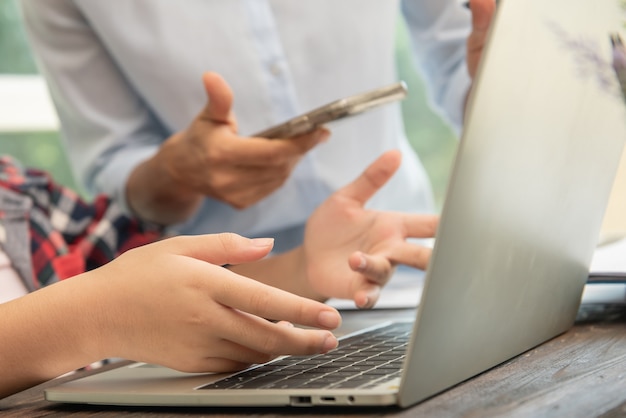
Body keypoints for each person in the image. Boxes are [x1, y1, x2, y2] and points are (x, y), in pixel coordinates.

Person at [19, 0, 496, 254]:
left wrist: (506, 77)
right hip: (223, 296)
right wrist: (180, 173)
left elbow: (464, 59)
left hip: (400, 253)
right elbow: (116, 167)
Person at [0, 149, 438, 399]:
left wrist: (304, 268)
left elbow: (159, 283)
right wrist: (94, 316)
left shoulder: (18, 190)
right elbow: (115, 299)